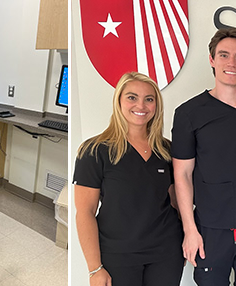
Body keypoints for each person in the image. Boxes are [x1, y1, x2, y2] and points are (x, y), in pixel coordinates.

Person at [171, 28, 236, 285]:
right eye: (224, 55)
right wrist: (189, 230)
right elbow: (182, 174)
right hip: (209, 231)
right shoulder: (188, 114)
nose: (231, 63)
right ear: (211, 59)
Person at [75, 72, 183, 286]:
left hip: (166, 254)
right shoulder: (94, 151)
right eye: (132, 97)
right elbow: (85, 212)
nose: (141, 105)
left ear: (156, 105)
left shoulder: (167, 150)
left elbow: (177, 203)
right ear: (119, 101)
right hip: (117, 256)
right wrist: (94, 268)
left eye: (149, 99)